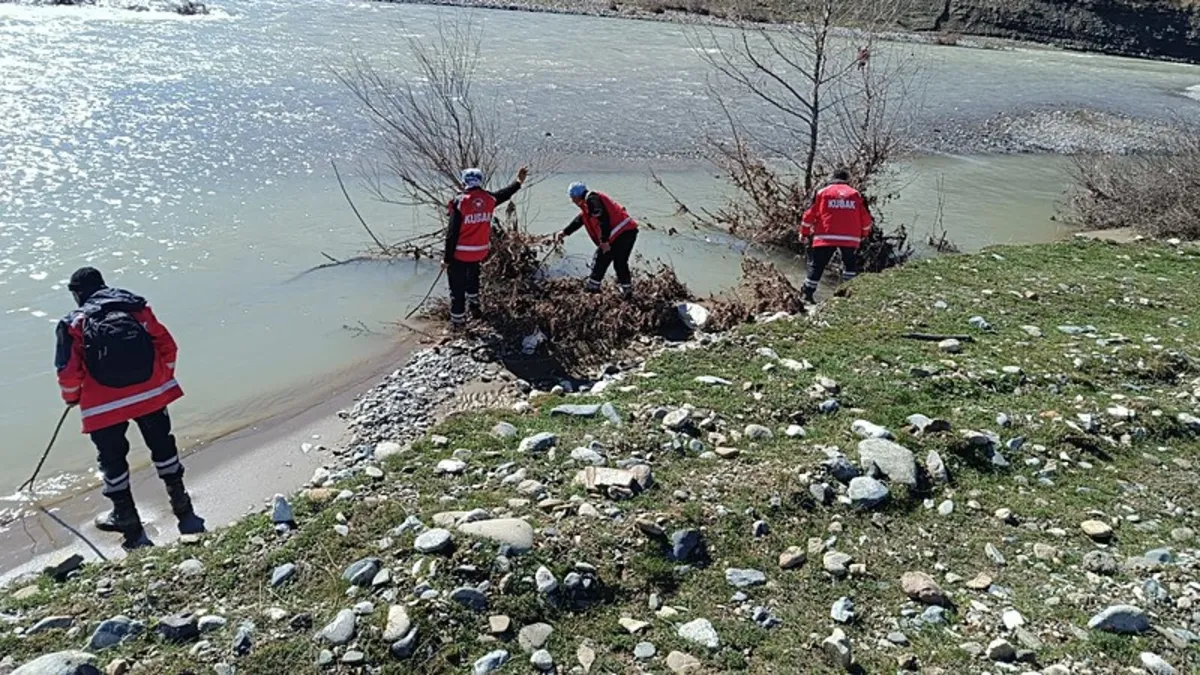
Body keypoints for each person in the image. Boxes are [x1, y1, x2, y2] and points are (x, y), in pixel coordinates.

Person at [55, 267, 203, 550]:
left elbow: (68, 372)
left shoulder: (73, 323)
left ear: (76, 294)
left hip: (103, 406)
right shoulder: (136, 308)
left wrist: (71, 398)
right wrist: (162, 379)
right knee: (163, 445)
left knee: (112, 460)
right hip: (151, 393)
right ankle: (181, 502)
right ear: (103, 284)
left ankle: (126, 518)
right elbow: (168, 346)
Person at [443, 166, 528, 328]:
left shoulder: (460, 202)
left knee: (457, 289)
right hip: (479, 252)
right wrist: (518, 182)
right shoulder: (489, 199)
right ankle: (474, 307)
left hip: (460, 253)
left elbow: (451, 234)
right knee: (473, 277)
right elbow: (505, 193)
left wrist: (446, 259)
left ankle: (458, 323)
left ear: (464, 182)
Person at [799, 168, 873, 304]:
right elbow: (866, 218)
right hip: (851, 238)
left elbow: (809, 215)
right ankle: (847, 294)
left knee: (817, 266)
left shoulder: (822, 192)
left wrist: (804, 233)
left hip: (825, 236)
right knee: (849, 266)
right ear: (847, 180)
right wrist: (864, 234)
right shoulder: (856, 194)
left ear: (831, 179)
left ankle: (807, 295)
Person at [554, 182, 639, 298]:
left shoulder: (592, 200)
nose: (572, 201)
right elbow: (580, 220)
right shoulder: (588, 204)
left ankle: (592, 289)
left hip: (619, 233)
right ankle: (627, 290)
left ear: (576, 196)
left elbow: (603, 218)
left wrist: (604, 241)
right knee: (620, 262)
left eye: (572, 198)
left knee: (601, 258)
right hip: (628, 231)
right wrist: (565, 232)